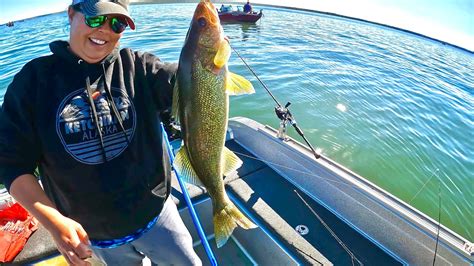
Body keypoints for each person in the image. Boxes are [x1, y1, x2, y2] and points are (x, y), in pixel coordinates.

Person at [0, 0, 202, 265]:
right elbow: (11, 164)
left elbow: (189, 85)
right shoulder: (33, 82)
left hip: (157, 215)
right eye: (96, 19)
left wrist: (206, 58)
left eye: (117, 23)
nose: (105, 30)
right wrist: (53, 222)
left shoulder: (139, 67)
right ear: (71, 14)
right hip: (94, 235)